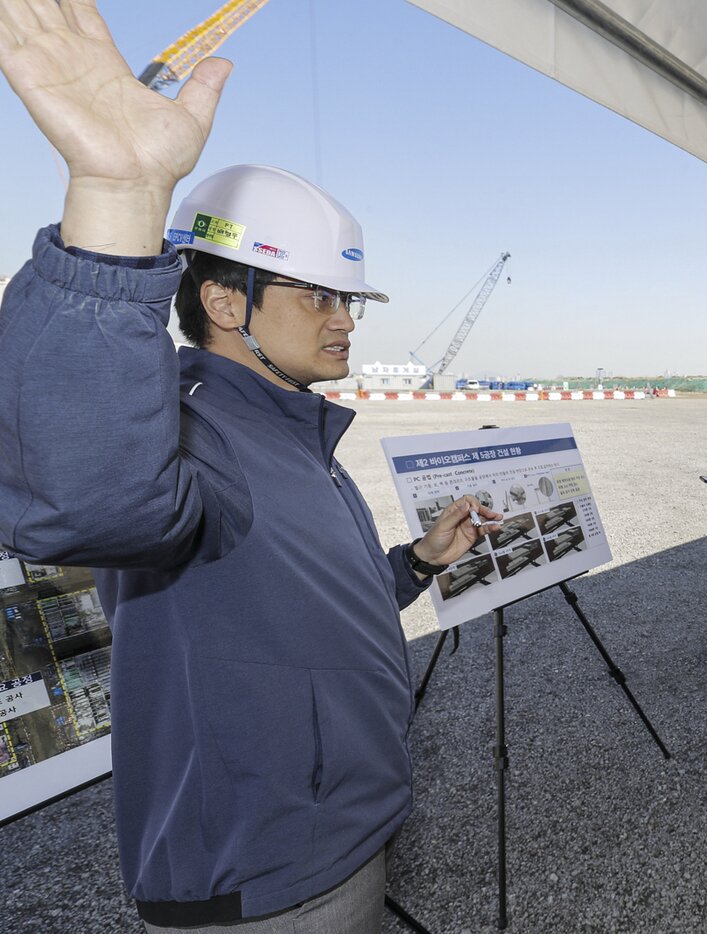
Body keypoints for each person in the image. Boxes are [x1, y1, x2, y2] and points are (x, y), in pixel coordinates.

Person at [0, 8, 500, 930]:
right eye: (319, 295)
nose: (346, 318)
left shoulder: (292, 433)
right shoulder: (196, 442)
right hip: (265, 875)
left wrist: (419, 562)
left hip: (343, 835)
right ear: (226, 301)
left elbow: (301, 610)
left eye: (348, 297)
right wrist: (116, 200)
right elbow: (80, 501)